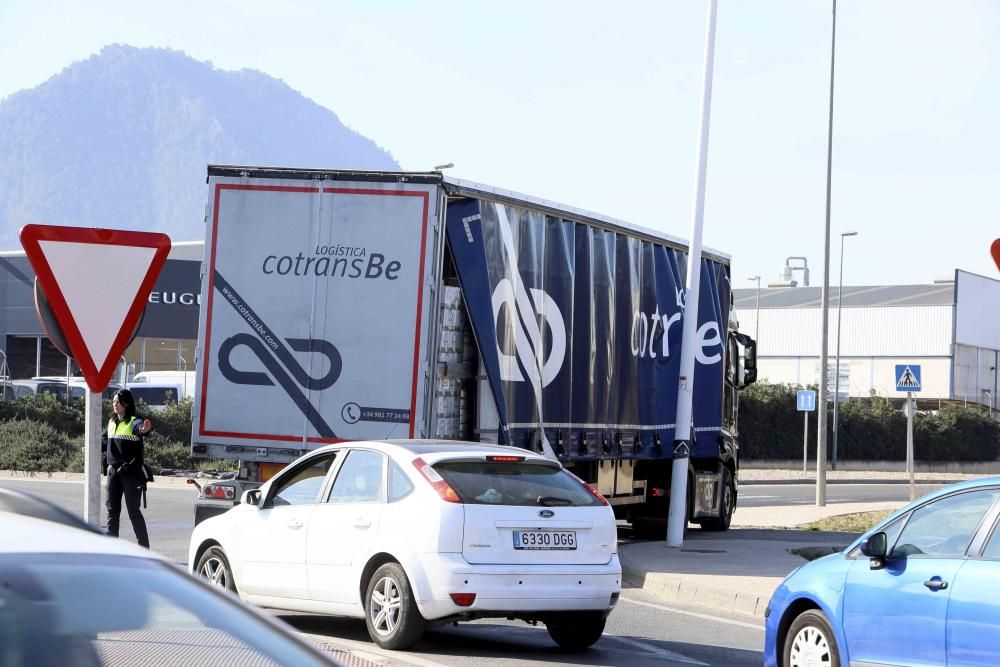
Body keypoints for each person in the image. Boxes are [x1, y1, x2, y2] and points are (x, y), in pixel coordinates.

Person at [105, 389, 153, 548]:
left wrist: (144, 430)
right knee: (112, 513)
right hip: (113, 472)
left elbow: (141, 429)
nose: (115, 405)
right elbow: (104, 441)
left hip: (130, 473)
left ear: (126, 403)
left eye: (118, 402)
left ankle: (144, 549)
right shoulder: (112, 422)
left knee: (133, 512)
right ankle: (111, 549)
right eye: (113, 402)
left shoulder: (134, 421)